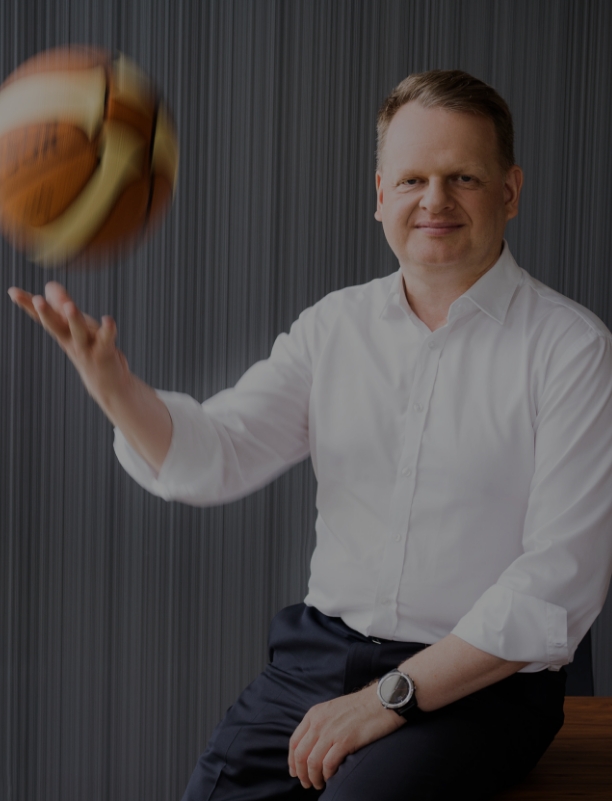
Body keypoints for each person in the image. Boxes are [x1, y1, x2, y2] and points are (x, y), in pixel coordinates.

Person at [8, 70, 612, 800]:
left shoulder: (573, 350)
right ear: (381, 194)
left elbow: (559, 581)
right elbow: (219, 454)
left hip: (482, 686)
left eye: (463, 177)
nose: (435, 200)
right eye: (412, 179)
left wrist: (389, 697)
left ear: (509, 191)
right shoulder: (334, 328)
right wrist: (116, 389)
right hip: (316, 662)